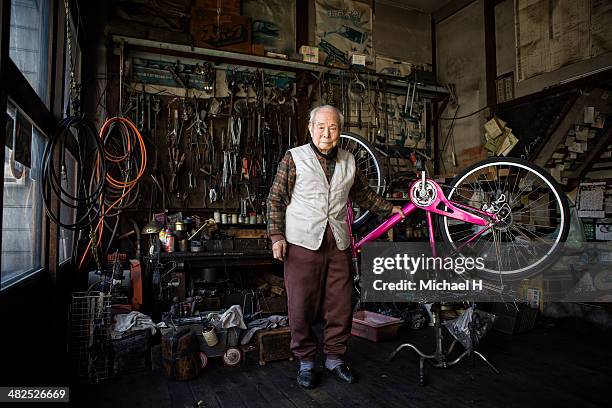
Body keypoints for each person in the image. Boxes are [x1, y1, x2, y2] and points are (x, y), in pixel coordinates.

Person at [266, 105, 404, 389]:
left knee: (340, 305)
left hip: (338, 242)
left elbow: (363, 195)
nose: (326, 134)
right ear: (310, 127)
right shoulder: (294, 159)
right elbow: (275, 200)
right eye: (320, 127)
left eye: (332, 128)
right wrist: (276, 236)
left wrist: (391, 210)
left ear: (340, 131)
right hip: (302, 241)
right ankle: (305, 361)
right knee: (301, 304)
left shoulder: (349, 160)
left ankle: (334, 358)